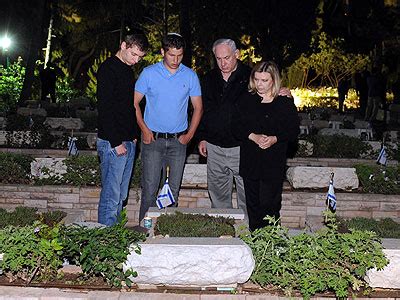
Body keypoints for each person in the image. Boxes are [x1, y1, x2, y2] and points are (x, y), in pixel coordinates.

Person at [197, 38, 291, 224]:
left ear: (237, 54)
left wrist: (284, 92)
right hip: (214, 145)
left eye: (227, 58)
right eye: (218, 59)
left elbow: (269, 93)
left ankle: (247, 234)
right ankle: (222, 232)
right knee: (217, 193)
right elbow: (203, 110)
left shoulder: (251, 77)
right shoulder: (208, 78)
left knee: (247, 195)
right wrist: (202, 137)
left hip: (242, 146)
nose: (223, 63)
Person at [134, 33, 203, 223]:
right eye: (171, 55)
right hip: (153, 140)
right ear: (162, 51)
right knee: (149, 188)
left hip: (178, 141)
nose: (176, 60)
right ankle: (145, 230)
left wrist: (189, 135)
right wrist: (144, 130)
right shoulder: (149, 73)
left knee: (173, 190)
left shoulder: (190, 75)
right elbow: (133, 103)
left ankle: (167, 231)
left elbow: (198, 107)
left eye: (180, 55)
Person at [232, 61, 300, 231]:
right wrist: (253, 136)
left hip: (273, 162)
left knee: (270, 206)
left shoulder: (284, 102)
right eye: (257, 79)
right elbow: (235, 125)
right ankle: (255, 243)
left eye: (265, 81)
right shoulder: (246, 99)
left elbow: (292, 131)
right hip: (251, 160)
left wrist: (274, 139)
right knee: (253, 206)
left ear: (274, 81)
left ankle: (271, 244)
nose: (260, 85)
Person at [96, 33, 149, 226]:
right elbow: (106, 108)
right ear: (123, 45)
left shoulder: (128, 70)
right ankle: (106, 242)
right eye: (133, 54)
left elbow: (129, 106)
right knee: (111, 196)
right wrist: (116, 142)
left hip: (128, 141)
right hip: (113, 143)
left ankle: (115, 236)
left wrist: (133, 135)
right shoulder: (108, 69)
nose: (136, 60)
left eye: (139, 57)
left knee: (121, 195)